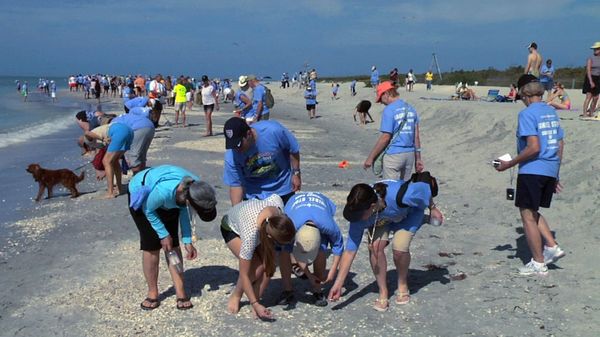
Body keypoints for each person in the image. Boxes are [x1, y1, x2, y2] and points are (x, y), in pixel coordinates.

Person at [328, 173, 443, 311]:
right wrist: (338, 284)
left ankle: (402, 283)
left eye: (359, 216)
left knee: (399, 248)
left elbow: (424, 188)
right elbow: (350, 251)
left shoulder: (400, 195)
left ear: (371, 206)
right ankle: (383, 292)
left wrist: (433, 208)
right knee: (374, 247)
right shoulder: (358, 213)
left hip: (407, 215)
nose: (356, 219)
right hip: (381, 220)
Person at [495, 74, 565, 276]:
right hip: (550, 168)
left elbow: (534, 147)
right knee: (532, 210)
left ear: (523, 93)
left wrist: (509, 164)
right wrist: (556, 173)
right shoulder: (550, 111)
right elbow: (560, 143)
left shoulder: (527, 114)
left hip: (533, 169)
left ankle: (538, 262)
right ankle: (551, 246)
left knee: (527, 215)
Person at [128, 165, 217, 310]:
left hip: (171, 198)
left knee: (173, 246)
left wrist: (187, 241)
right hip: (144, 196)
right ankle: (152, 292)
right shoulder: (164, 191)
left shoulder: (197, 188)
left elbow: (184, 212)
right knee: (151, 246)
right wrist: (163, 234)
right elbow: (149, 210)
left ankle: (180, 291)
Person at [220, 194, 295, 320]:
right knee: (256, 268)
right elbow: (244, 274)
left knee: (269, 265)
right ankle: (236, 295)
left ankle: (256, 298)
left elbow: (274, 196)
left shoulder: (278, 206)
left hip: (256, 221)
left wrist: (256, 302)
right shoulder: (251, 235)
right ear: (271, 237)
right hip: (231, 228)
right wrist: (255, 304)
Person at [278, 192, 344, 307]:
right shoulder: (291, 226)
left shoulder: (329, 226)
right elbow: (290, 248)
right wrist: (309, 274)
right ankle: (287, 289)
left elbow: (338, 246)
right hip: (294, 204)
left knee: (321, 249)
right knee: (285, 250)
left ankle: (317, 289)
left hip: (321, 206)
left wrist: (333, 270)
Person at [222, 117, 301, 206]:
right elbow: (236, 185)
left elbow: (293, 149)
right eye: (233, 146)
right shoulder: (231, 156)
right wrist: (235, 213)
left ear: (249, 134)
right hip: (253, 195)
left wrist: (296, 173)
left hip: (282, 188)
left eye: (239, 145)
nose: (236, 149)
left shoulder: (273, 131)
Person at [364, 81, 423, 181]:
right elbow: (416, 137)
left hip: (393, 155)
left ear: (386, 94)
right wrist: (418, 159)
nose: (381, 102)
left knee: (390, 189)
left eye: (380, 98)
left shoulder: (389, 110)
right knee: (403, 190)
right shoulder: (411, 109)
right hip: (409, 155)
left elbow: (386, 137)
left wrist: (371, 157)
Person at [85, 122, 134, 198]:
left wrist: (102, 139)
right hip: (129, 132)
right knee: (114, 161)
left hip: (118, 131)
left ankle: (110, 192)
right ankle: (119, 188)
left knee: (106, 161)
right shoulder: (99, 136)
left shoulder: (89, 140)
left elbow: (87, 132)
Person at [582, 42, 600, 117]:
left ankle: (591, 112)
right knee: (589, 96)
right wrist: (591, 81)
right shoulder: (590, 58)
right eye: (594, 49)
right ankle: (585, 113)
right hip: (590, 77)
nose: (595, 50)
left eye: (597, 49)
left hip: (598, 78)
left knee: (596, 97)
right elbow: (588, 70)